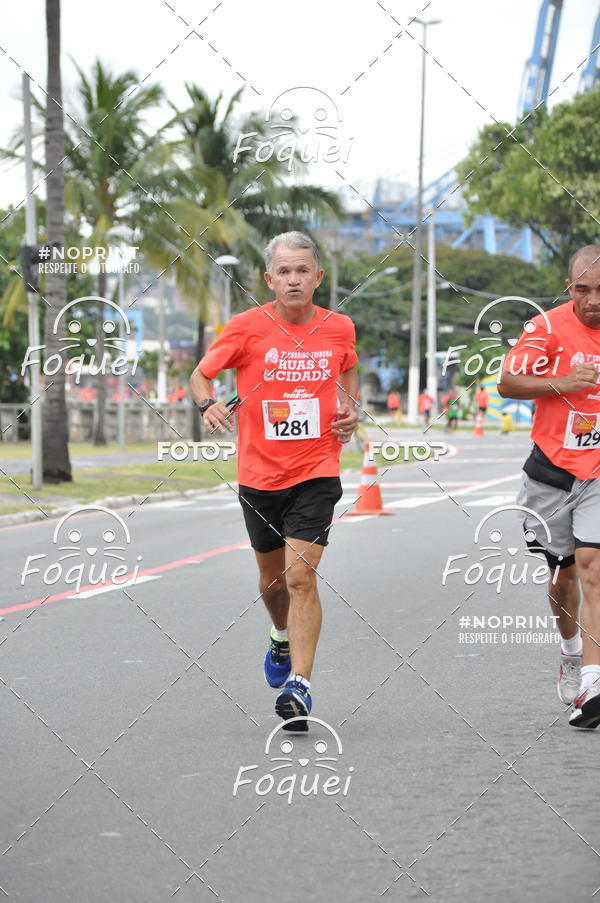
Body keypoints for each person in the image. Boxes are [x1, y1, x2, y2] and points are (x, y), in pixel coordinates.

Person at [190, 231, 359, 726]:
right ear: (269, 279)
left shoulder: (339, 327)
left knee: (301, 575)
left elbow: (348, 370)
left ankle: (300, 686)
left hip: (317, 470)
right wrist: (208, 402)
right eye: (283, 272)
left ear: (317, 277)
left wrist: (348, 409)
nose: (293, 279)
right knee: (272, 580)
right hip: (260, 475)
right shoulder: (245, 328)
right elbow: (201, 375)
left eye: (302, 271)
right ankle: (279, 636)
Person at [498, 244, 600, 728]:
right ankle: (571, 651)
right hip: (552, 475)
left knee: (593, 565)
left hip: (598, 473)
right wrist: (564, 381)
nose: (594, 299)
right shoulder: (546, 328)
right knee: (563, 579)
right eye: (584, 289)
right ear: (569, 288)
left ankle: (594, 684)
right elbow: (508, 382)